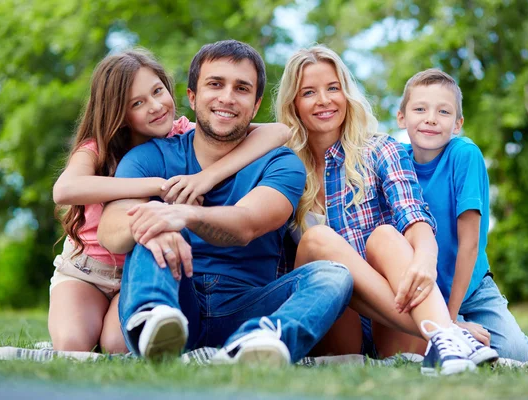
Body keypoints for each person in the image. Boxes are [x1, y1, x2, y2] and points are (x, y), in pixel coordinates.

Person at [97, 39, 353, 365]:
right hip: (174, 293)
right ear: (192, 96)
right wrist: (158, 216)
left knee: (335, 275)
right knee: (150, 222)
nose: (227, 98)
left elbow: (247, 223)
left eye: (242, 88)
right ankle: (154, 323)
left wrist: (184, 215)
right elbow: (110, 228)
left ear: (257, 104)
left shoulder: (281, 163)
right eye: (215, 84)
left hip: (247, 305)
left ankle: (260, 341)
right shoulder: (148, 157)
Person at [49, 48, 292, 353]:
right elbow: (64, 190)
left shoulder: (182, 131)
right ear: (119, 114)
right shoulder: (99, 147)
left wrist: (208, 176)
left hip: (141, 268)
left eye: (158, 91)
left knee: (119, 345)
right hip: (89, 269)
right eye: (137, 103)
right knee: (73, 344)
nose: (155, 106)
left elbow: (278, 131)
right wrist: (158, 186)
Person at [275, 45, 497, 375]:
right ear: (294, 103)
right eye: (309, 92)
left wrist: (425, 255)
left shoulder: (381, 149)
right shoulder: (283, 165)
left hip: (394, 326)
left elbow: (414, 215)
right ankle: (446, 331)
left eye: (333, 88)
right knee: (318, 241)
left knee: (384, 236)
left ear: (347, 94)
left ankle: (441, 334)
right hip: (336, 325)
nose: (324, 100)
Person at [396, 68, 528, 361]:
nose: (431, 118)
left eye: (444, 111)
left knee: (514, 353)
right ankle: (454, 335)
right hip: (426, 288)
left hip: (471, 287)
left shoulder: (464, 155)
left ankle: (500, 338)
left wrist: (449, 320)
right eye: (420, 109)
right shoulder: (396, 161)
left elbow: (470, 244)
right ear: (401, 117)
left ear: (458, 124)